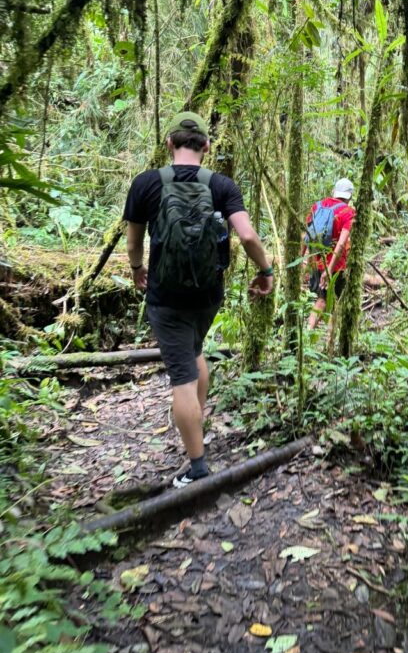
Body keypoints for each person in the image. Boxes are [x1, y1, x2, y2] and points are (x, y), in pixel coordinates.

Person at [124, 111, 273, 487]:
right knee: (194, 351)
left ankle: (197, 467)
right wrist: (265, 271)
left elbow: (134, 239)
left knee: (182, 377)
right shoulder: (221, 185)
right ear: (207, 147)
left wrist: (138, 268)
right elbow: (249, 237)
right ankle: (195, 420)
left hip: (165, 295)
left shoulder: (145, 184)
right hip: (208, 294)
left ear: (169, 143)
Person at [303, 178, 355, 330]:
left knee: (325, 300)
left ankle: (325, 342)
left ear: (334, 192)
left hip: (315, 262)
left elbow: (305, 235)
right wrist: (330, 269)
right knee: (326, 301)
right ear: (350, 196)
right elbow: (341, 243)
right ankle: (309, 334)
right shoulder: (348, 212)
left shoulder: (317, 206)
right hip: (335, 266)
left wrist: (303, 260)